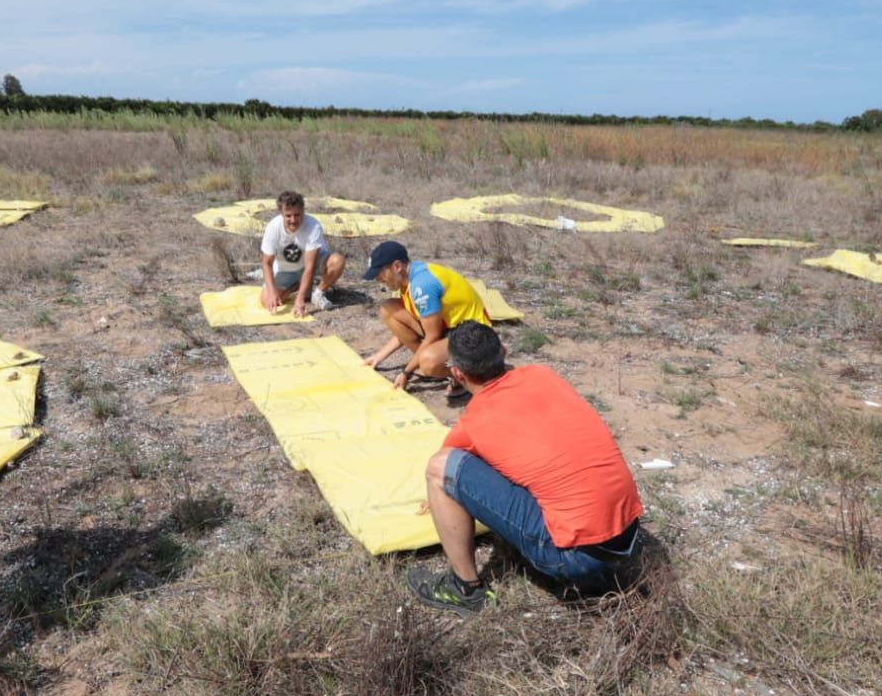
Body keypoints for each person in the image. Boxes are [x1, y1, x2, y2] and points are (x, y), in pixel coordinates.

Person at [408, 322, 645, 616]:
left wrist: (437, 500)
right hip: (628, 535)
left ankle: (465, 589)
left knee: (440, 467)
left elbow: (448, 467)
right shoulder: (542, 375)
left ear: (458, 374)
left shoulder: (472, 424)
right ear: (504, 351)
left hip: (576, 558)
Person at [360, 240, 490, 403]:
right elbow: (408, 330)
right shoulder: (407, 279)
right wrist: (379, 356)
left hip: (474, 334)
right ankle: (432, 366)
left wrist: (406, 372)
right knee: (389, 309)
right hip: (449, 327)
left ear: (397, 266)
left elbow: (432, 336)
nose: (378, 279)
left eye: (380, 273)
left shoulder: (422, 285)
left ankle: (465, 375)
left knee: (428, 361)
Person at [259, 190, 345, 318]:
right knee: (267, 301)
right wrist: (272, 292)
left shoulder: (313, 226)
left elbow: (310, 267)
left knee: (338, 261)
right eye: (288, 216)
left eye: (297, 215)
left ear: (303, 211)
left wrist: (299, 300)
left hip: (311, 264)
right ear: (281, 214)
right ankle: (298, 286)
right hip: (287, 268)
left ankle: (319, 293)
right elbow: (267, 263)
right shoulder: (273, 227)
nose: (293, 220)